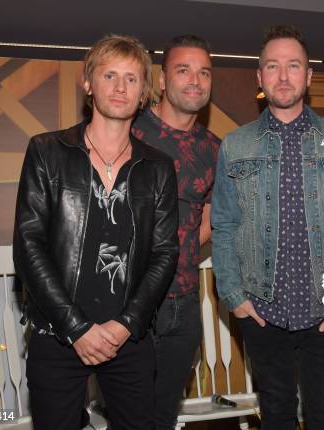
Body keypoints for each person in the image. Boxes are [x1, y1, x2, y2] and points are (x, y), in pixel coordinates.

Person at [13, 34, 179, 430]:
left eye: (132, 78)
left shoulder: (158, 167)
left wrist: (125, 324)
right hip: (57, 333)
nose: (120, 87)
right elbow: (28, 245)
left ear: (144, 93)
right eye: (109, 75)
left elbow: (164, 254)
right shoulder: (46, 151)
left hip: (129, 336)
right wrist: (76, 328)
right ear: (88, 83)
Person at [211, 25, 324, 430]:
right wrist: (234, 296)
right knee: (275, 417)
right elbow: (223, 225)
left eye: (293, 66)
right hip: (262, 311)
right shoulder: (236, 145)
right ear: (259, 78)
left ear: (309, 76)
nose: (282, 76)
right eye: (272, 67)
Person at [131, 34, 220, 430]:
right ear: (163, 80)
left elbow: (210, 217)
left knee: (162, 417)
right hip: (128, 300)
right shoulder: (128, 131)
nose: (195, 80)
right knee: (129, 416)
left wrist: (179, 248)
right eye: (183, 70)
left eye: (203, 72)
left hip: (183, 304)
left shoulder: (215, 148)